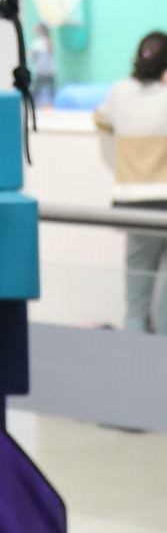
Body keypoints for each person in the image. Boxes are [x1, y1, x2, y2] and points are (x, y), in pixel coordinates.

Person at [94, 30, 167, 334]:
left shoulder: (120, 92)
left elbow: (100, 120)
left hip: (133, 206)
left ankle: (132, 368)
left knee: (136, 302)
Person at [28, 23, 56, 108]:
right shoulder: (48, 41)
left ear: (40, 31)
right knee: (51, 92)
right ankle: (51, 105)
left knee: (36, 91)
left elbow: (32, 56)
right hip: (50, 71)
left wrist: (29, 55)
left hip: (42, 72)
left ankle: (31, 106)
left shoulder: (39, 43)